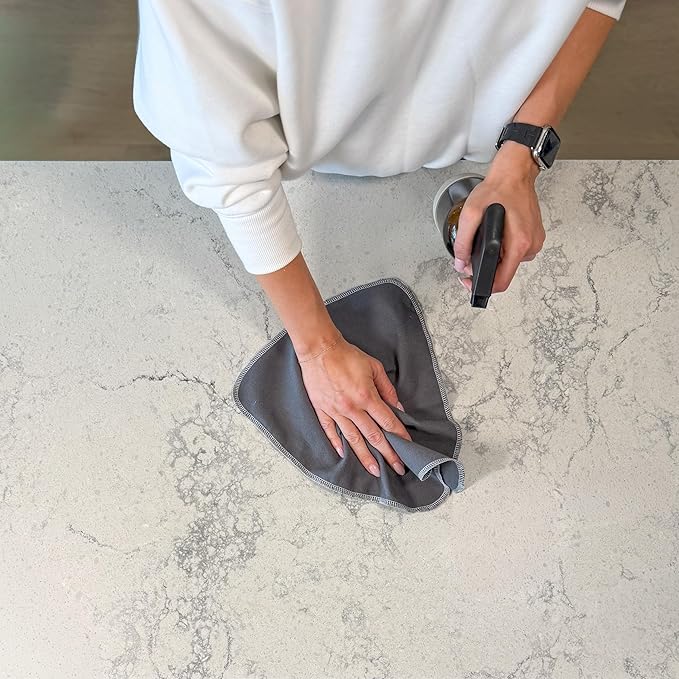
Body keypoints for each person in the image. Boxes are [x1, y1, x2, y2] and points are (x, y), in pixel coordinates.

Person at [133, 0, 625, 479]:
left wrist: (522, 155)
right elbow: (222, 154)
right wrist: (318, 347)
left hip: (495, 135)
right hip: (325, 145)